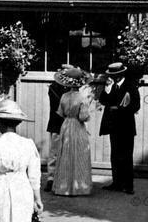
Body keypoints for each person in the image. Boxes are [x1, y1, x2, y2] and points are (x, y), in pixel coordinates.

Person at [98, 62, 140, 194]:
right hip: (113, 127)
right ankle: (116, 182)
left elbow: (136, 106)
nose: (113, 77)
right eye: (111, 75)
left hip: (126, 126)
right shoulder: (111, 86)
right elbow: (103, 101)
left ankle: (128, 185)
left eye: (116, 75)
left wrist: (119, 109)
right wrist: (107, 89)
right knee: (115, 155)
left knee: (126, 156)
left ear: (121, 74)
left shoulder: (131, 86)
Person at [52, 67, 92, 196]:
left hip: (66, 125)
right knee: (79, 153)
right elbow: (83, 117)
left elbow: (60, 112)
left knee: (65, 154)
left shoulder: (64, 96)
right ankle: (78, 186)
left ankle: (63, 187)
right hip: (77, 125)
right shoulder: (82, 97)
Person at [44, 65, 71, 192]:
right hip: (57, 123)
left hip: (70, 124)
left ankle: (64, 179)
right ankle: (51, 179)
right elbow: (59, 106)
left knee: (68, 152)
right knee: (54, 152)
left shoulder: (72, 89)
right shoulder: (54, 88)